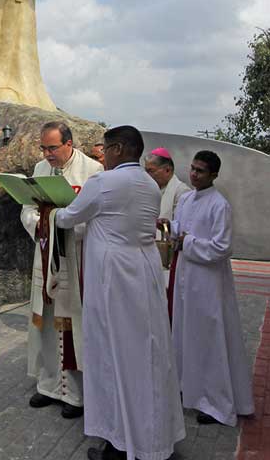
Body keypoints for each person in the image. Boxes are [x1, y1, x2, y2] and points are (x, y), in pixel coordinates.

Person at [54, 125, 185, 460]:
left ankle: (119, 442)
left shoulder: (103, 182)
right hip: (144, 274)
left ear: (119, 149)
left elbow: (69, 218)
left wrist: (50, 209)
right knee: (148, 355)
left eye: (107, 148)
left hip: (112, 281)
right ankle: (153, 437)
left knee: (113, 357)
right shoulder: (150, 184)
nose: (104, 154)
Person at [165, 150, 254, 426]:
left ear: (214, 175)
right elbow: (179, 228)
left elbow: (222, 247)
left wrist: (187, 242)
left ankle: (215, 402)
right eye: (192, 168)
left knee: (209, 340)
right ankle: (187, 389)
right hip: (185, 277)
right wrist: (169, 229)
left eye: (200, 171)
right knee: (186, 334)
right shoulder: (187, 198)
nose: (193, 174)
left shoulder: (220, 205)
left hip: (208, 283)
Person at [21, 121, 102, 418]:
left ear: (69, 143)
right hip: (45, 255)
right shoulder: (41, 170)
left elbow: (94, 217)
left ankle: (76, 395)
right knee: (46, 319)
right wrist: (44, 225)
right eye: (43, 147)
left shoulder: (93, 171)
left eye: (52, 147)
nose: (47, 154)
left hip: (76, 258)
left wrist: (58, 222)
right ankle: (47, 385)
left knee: (74, 325)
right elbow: (26, 210)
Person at [144, 147, 189, 223]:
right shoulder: (149, 189)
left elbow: (180, 226)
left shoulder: (182, 191)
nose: (147, 175)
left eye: (150, 171)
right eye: (146, 171)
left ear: (167, 170)